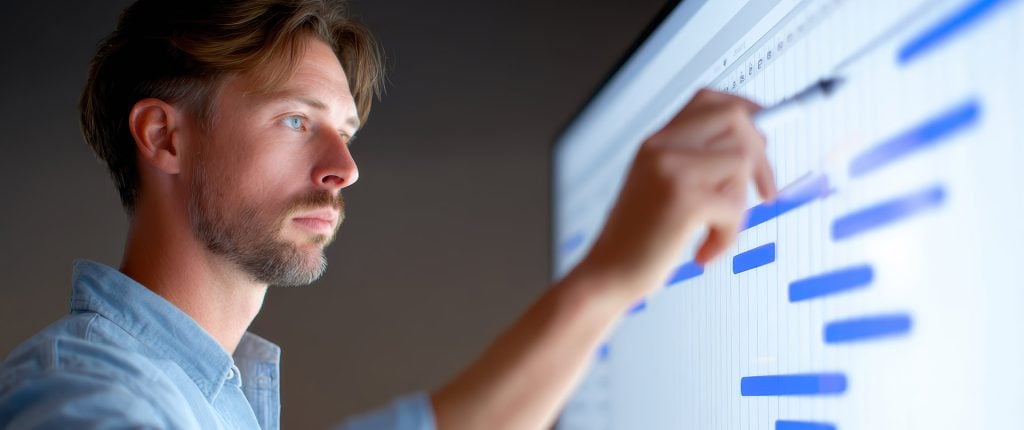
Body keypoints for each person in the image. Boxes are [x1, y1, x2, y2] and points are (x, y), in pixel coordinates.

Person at [0, 0, 776, 428]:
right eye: (298, 122)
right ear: (165, 137)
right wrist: (607, 279)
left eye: (348, 130)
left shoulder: (209, 396)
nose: (344, 167)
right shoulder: (88, 399)